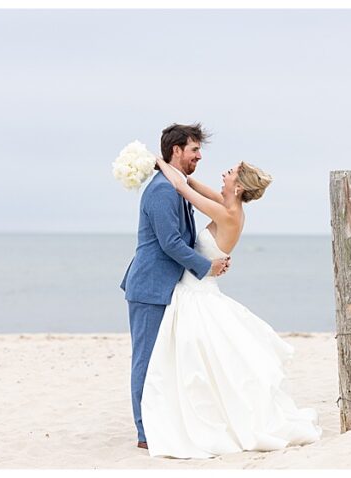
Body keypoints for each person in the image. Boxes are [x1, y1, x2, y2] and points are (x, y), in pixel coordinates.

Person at [140, 156, 322, 458]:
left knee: (194, 359)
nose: (224, 173)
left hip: (196, 293)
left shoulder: (227, 212)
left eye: (230, 173)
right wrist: (182, 169)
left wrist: (158, 161)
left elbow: (182, 190)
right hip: (196, 288)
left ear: (238, 187)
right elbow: (191, 184)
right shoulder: (227, 204)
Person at [120, 123, 230, 449]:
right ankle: (144, 434)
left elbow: (184, 237)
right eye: (194, 150)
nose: (199, 156)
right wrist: (205, 266)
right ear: (176, 150)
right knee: (146, 360)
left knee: (165, 360)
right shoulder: (161, 191)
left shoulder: (175, 187)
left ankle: (160, 423)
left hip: (170, 288)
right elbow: (169, 242)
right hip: (150, 288)